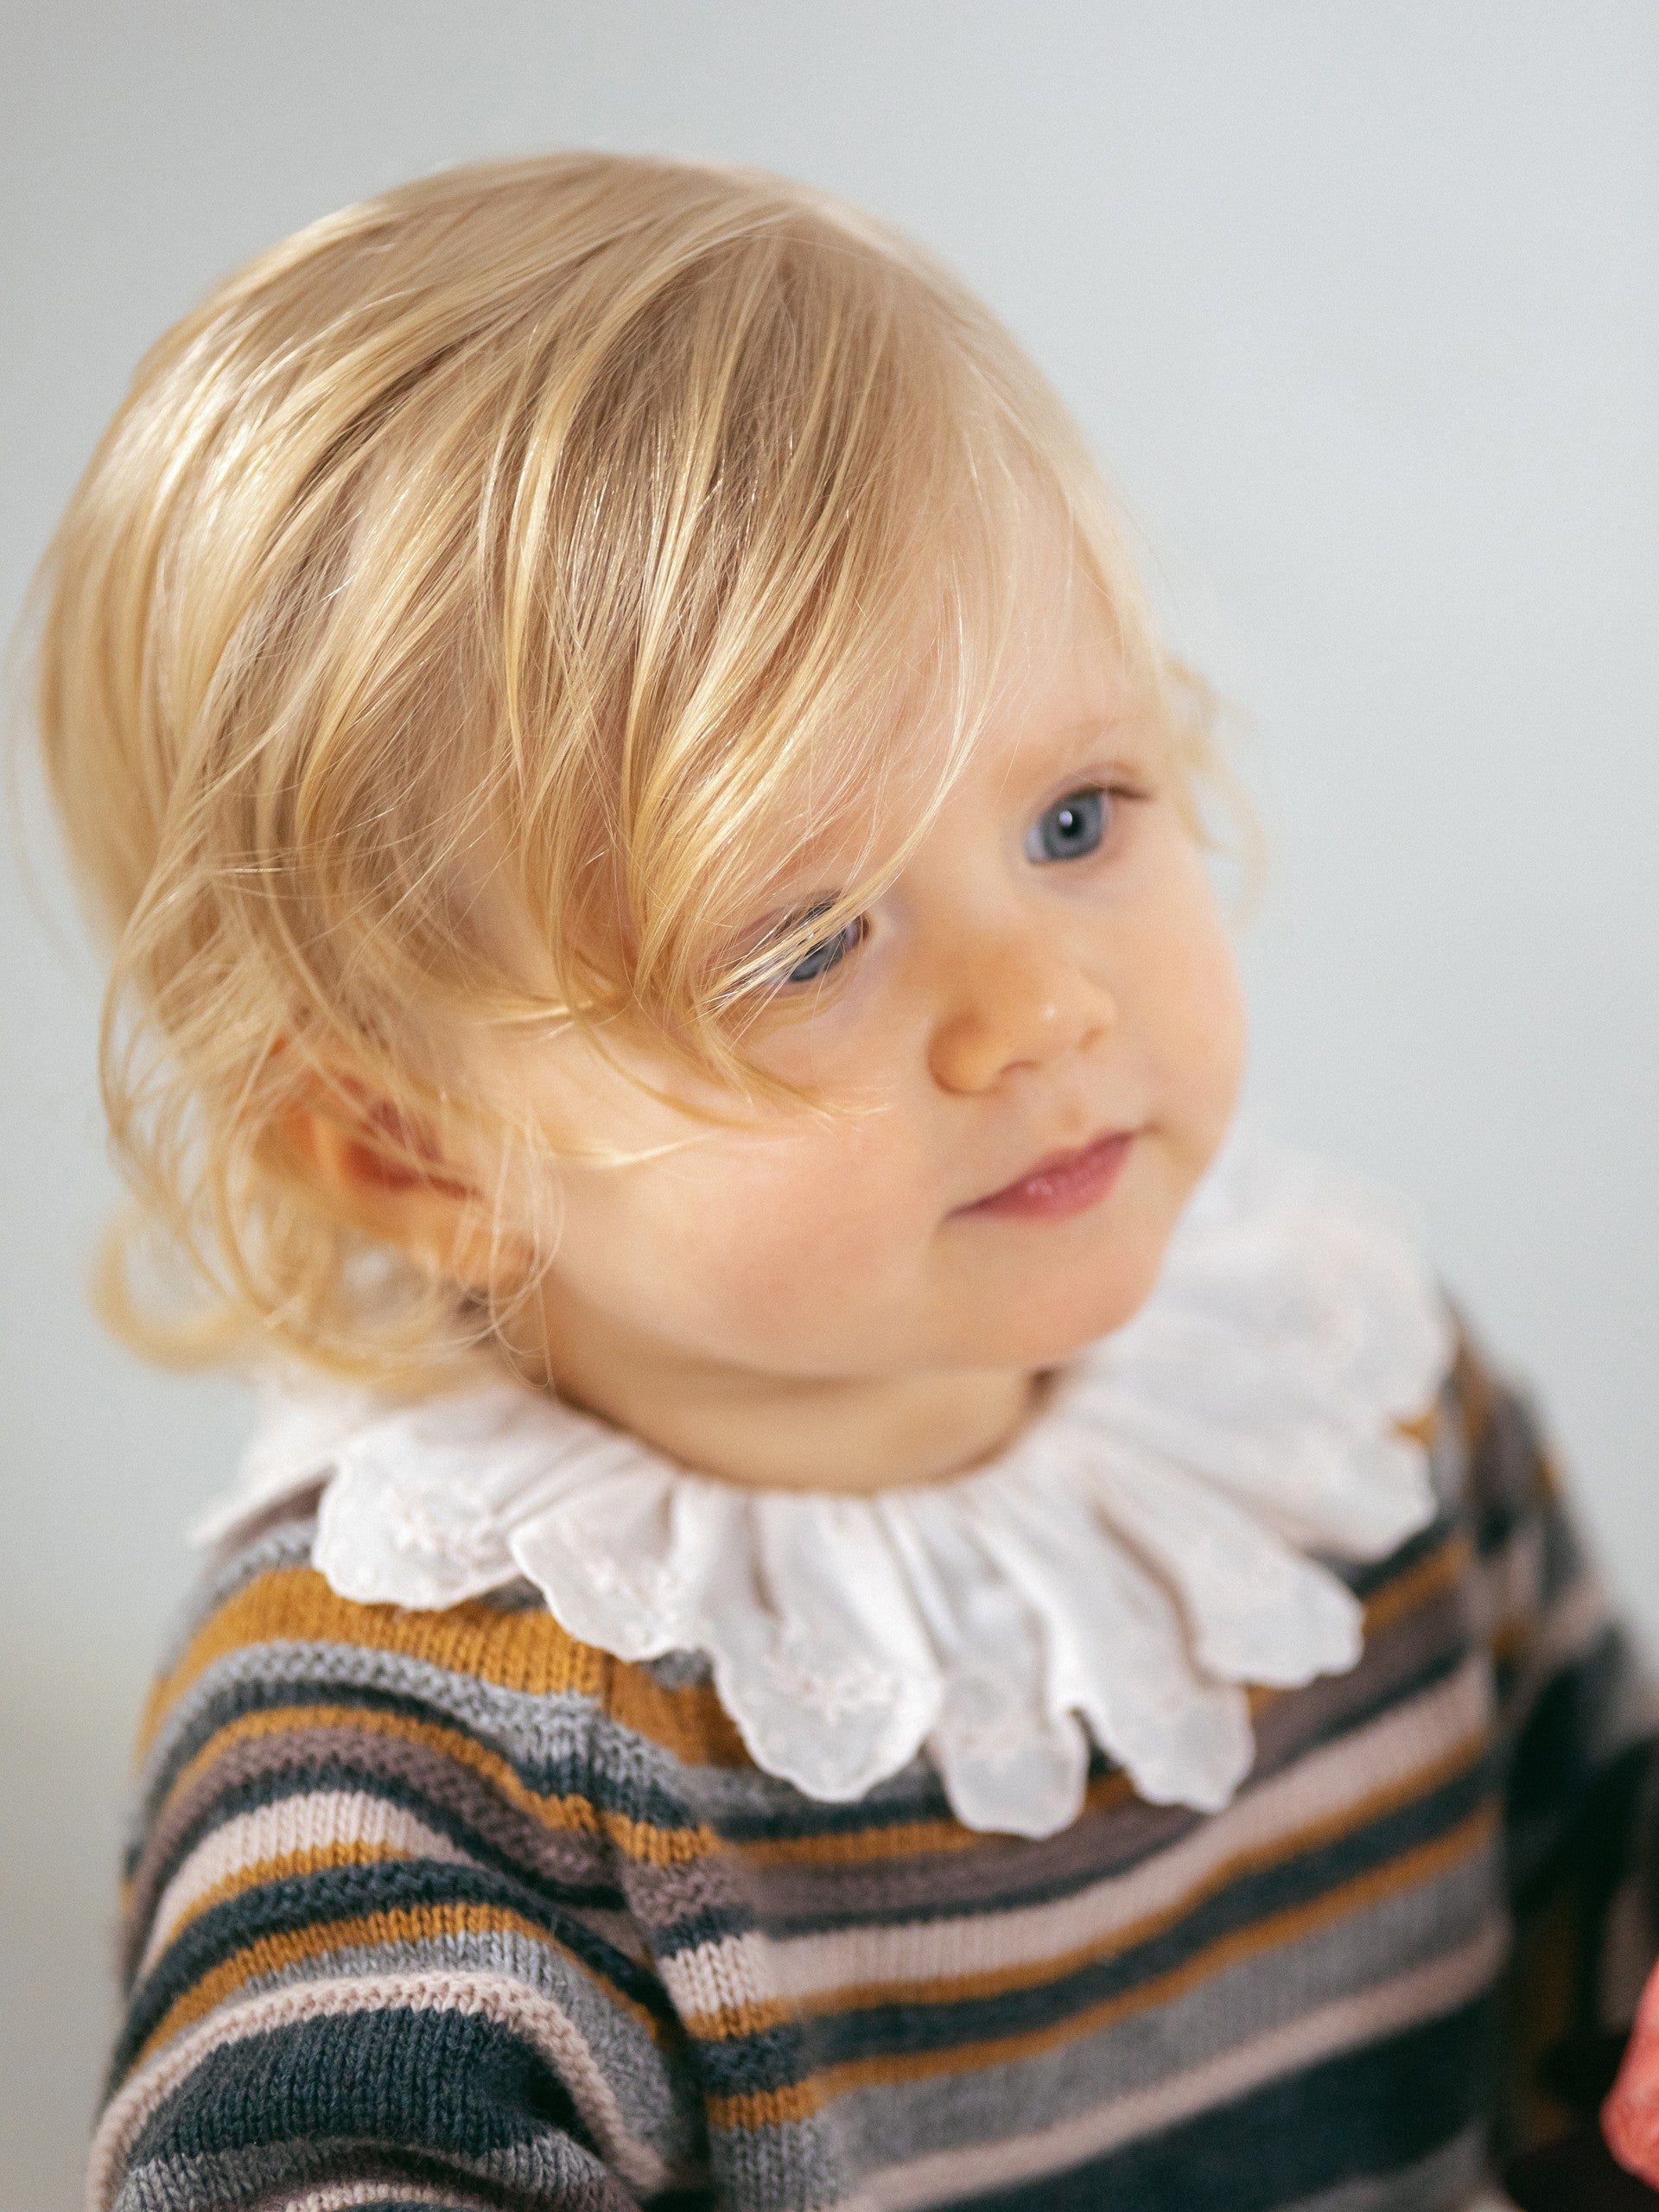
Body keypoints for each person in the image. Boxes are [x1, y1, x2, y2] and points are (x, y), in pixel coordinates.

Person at [33, 152, 1659, 2211]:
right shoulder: (408, 1731)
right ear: (409, 1146)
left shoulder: (1348, 1397)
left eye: (1076, 816)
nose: (1040, 1005)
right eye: (805, 945)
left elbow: (1590, 1886)